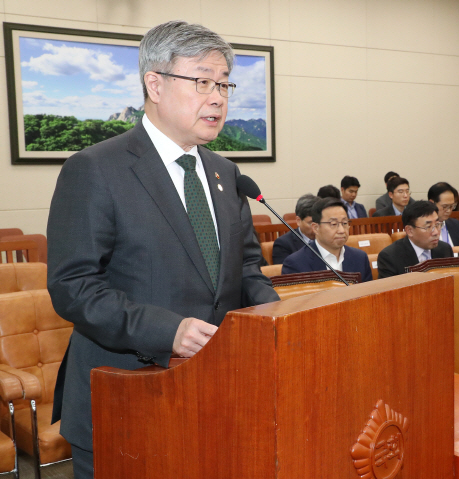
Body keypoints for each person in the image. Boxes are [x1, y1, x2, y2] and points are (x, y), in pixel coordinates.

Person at [46, 21, 280, 479]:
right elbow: (72, 287)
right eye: (202, 81)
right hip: (125, 398)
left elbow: (246, 269)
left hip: (215, 399)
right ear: (155, 83)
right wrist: (166, 330)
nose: (218, 97)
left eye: (224, 84)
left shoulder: (226, 173)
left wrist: (282, 320)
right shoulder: (94, 169)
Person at [282, 197, 372, 281]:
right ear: (316, 228)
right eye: (333, 224)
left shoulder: (360, 258)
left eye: (344, 223)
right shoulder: (296, 263)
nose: (341, 230)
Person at [377, 201, 454, 278]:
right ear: (410, 230)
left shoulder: (445, 249)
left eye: (437, 225)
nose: (436, 232)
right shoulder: (390, 257)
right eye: (428, 227)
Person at [272, 194, 318, 264]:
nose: (316, 227)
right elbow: (285, 271)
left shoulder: (328, 238)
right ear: (298, 221)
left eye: (319, 222)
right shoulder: (283, 244)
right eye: (311, 223)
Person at [427, 182, 459, 247]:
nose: (449, 210)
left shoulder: (455, 224)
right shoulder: (425, 227)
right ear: (432, 203)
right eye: (445, 206)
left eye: (452, 206)